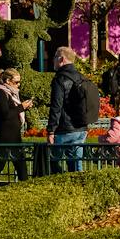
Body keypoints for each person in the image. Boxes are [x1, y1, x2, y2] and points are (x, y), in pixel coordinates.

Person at [0, 68, 33, 189]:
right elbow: (5, 114)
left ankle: (25, 192)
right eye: (16, 82)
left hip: (14, 135)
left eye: (19, 82)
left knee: (21, 166)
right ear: (7, 81)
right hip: (5, 136)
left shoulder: (12, 93)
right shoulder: (2, 93)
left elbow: (13, 112)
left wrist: (23, 107)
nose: (18, 85)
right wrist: (22, 107)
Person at [46, 46, 92, 174]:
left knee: (53, 164)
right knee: (77, 165)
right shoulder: (81, 77)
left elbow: (56, 106)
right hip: (81, 128)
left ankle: (59, 188)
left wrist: (51, 130)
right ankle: (78, 188)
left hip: (64, 129)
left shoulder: (59, 79)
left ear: (61, 59)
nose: (53, 60)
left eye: (55, 57)